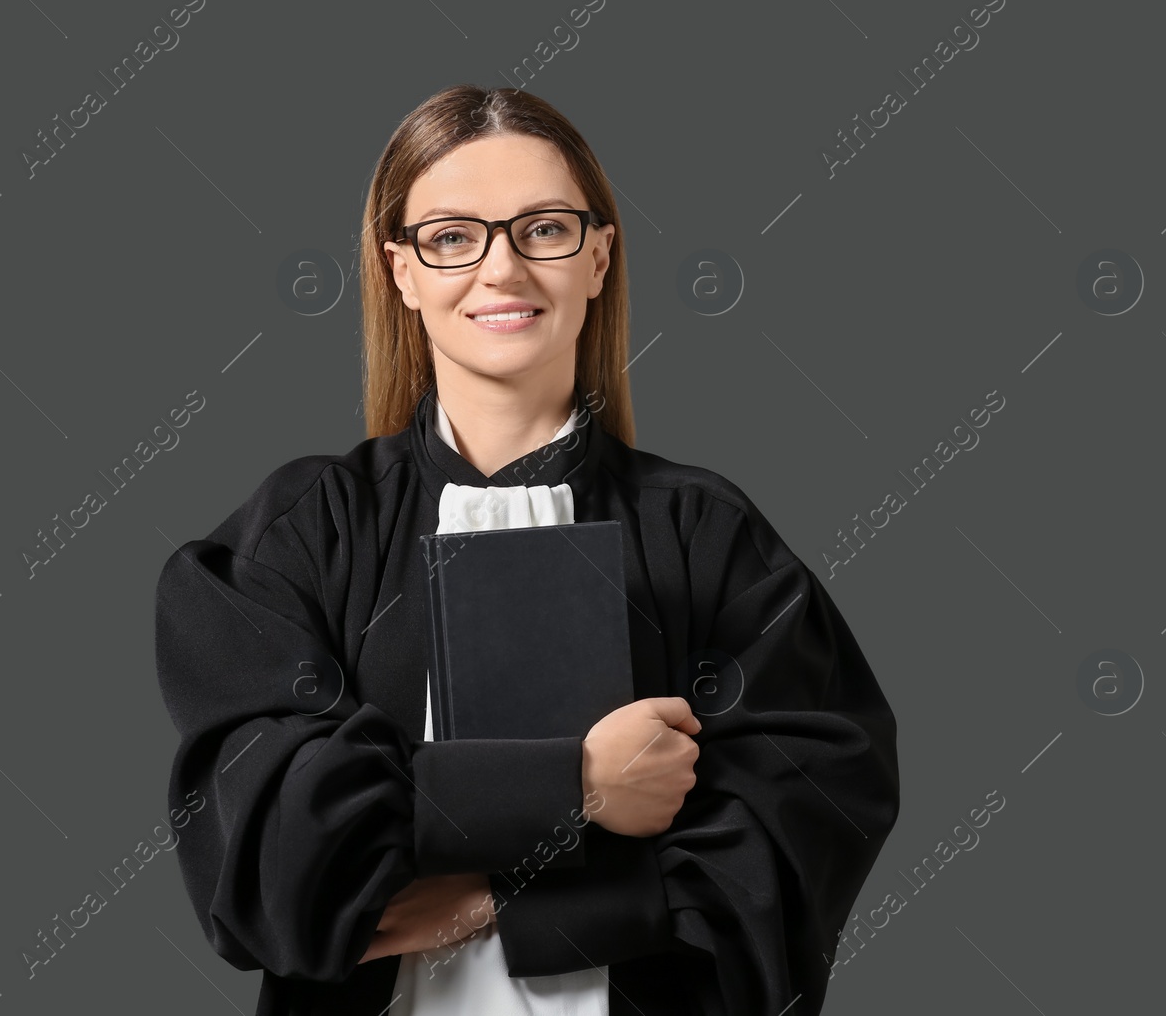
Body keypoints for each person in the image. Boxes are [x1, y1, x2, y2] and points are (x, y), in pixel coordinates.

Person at [154, 84, 900, 1015]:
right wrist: (581, 785)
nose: (501, 269)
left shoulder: (711, 538)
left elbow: (794, 841)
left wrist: (484, 900)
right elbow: (280, 858)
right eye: (453, 236)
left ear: (598, 256)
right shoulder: (299, 535)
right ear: (401, 271)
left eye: (543, 229)